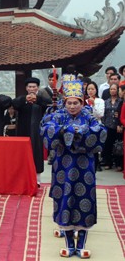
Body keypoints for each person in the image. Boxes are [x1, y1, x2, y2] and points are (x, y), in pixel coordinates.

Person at [41, 80, 106, 258]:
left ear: (82, 102)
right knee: (64, 200)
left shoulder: (89, 116)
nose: (71, 106)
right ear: (64, 102)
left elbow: (100, 131)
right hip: (63, 165)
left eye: (75, 103)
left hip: (85, 166)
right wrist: (70, 131)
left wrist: (75, 133)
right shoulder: (58, 115)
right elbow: (47, 129)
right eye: (69, 102)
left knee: (84, 200)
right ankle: (70, 245)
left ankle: (81, 245)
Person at [12, 77, 51, 185]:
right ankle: (22, 178)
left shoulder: (41, 99)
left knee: (37, 153)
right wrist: (26, 99)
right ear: (26, 88)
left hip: (37, 131)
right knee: (23, 154)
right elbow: (14, 103)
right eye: (30, 87)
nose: (32, 88)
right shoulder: (21, 99)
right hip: (23, 131)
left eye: (34, 86)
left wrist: (37, 100)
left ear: (37, 87)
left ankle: (37, 179)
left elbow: (49, 105)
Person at [101, 83, 122, 170]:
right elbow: (104, 114)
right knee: (108, 145)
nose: (112, 91)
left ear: (117, 90)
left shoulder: (120, 101)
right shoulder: (106, 101)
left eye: (114, 89)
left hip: (117, 126)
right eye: (111, 89)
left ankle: (118, 163)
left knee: (118, 144)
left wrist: (119, 124)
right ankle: (108, 162)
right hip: (108, 125)